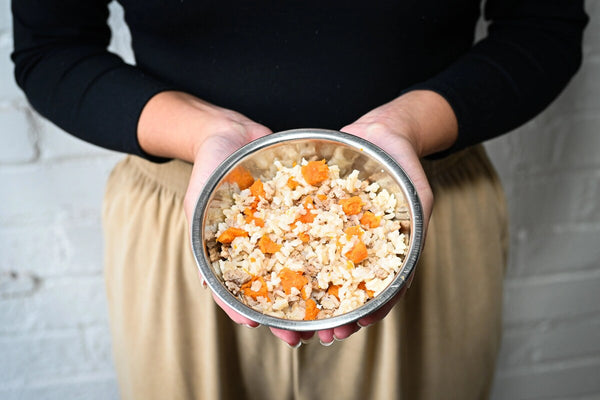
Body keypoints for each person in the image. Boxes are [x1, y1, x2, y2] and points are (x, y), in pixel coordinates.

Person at [11, 1, 587, 399]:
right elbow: (51, 49)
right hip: (188, 213)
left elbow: (543, 29)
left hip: (418, 214)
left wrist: (407, 126)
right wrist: (203, 133)